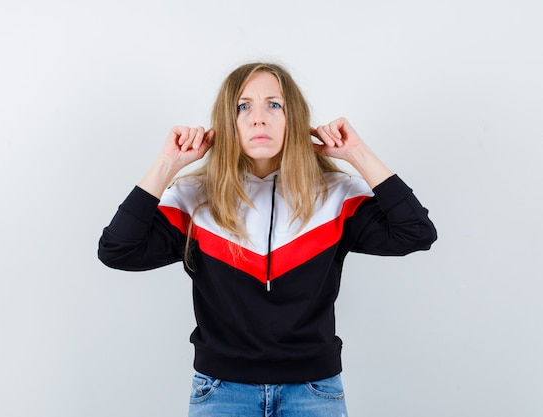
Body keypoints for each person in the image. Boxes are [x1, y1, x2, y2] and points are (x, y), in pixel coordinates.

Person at [98, 62, 437, 416]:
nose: (259, 118)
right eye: (243, 106)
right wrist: (167, 164)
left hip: (313, 391)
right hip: (221, 391)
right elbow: (117, 250)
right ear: (227, 123)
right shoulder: (193, 197)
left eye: (274, 105)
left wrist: (357, 154)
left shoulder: (337, 195)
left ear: (296, 119)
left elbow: (415, 233)